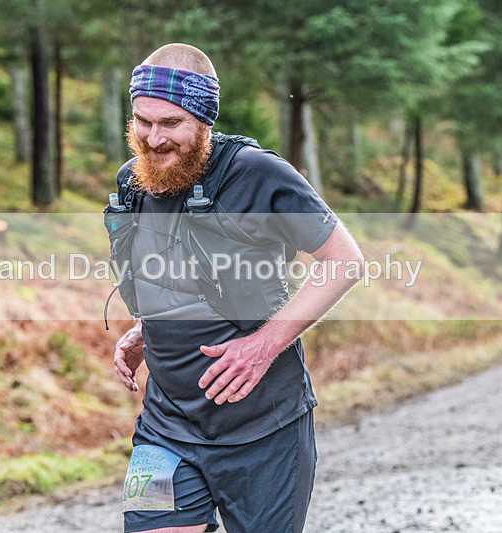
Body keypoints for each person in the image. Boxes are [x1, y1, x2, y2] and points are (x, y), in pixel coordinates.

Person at [107, 43, 363, 533]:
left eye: (171, 124)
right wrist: (149, 325)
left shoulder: (258, 175)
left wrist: (264, 344)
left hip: (263, 432)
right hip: (167, 428)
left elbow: (344, 261)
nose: (153, 139)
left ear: (203, 120)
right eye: (143, 121)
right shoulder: (133, 183)